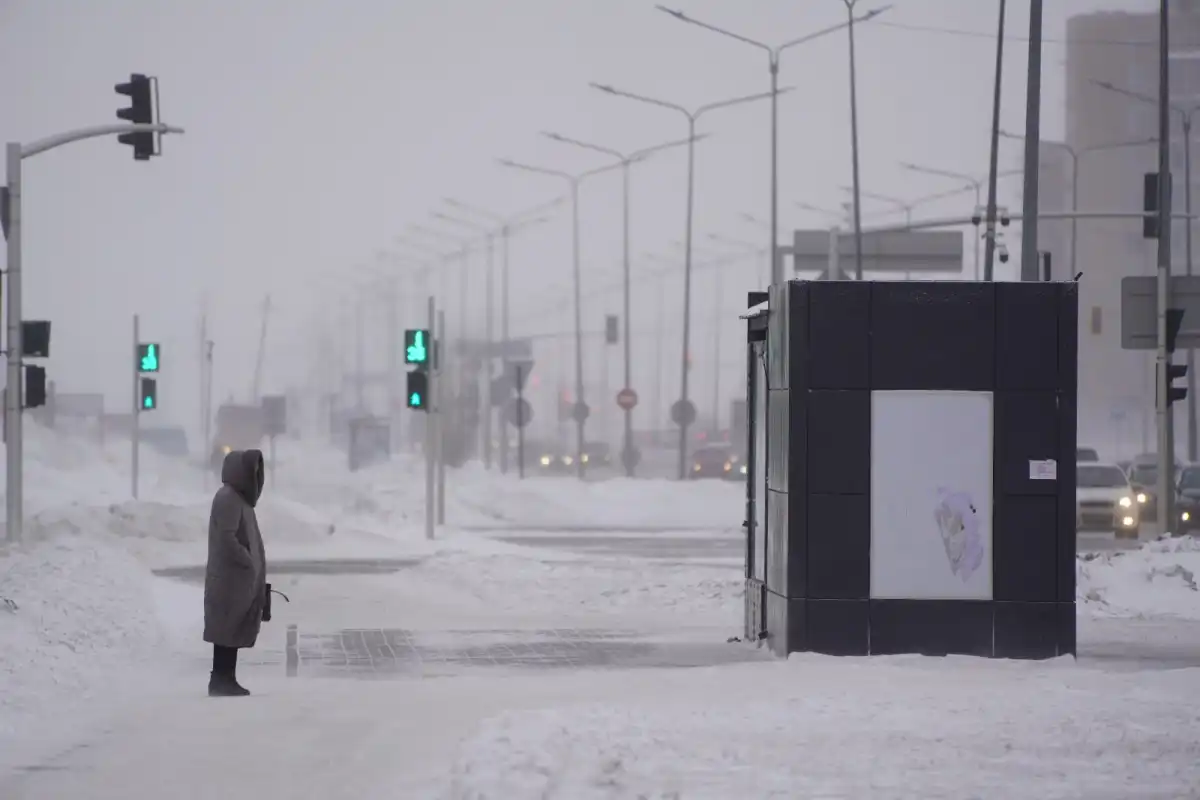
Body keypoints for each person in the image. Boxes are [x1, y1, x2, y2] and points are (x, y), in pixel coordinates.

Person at [203, 448, 268, 697]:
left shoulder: (237, 499)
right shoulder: (228, 498)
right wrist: (248, 560)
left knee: (231, 628)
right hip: (229, 578)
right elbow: (227, 537)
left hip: (236, 579)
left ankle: (226, 677)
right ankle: (220, 680)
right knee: (226, 628)